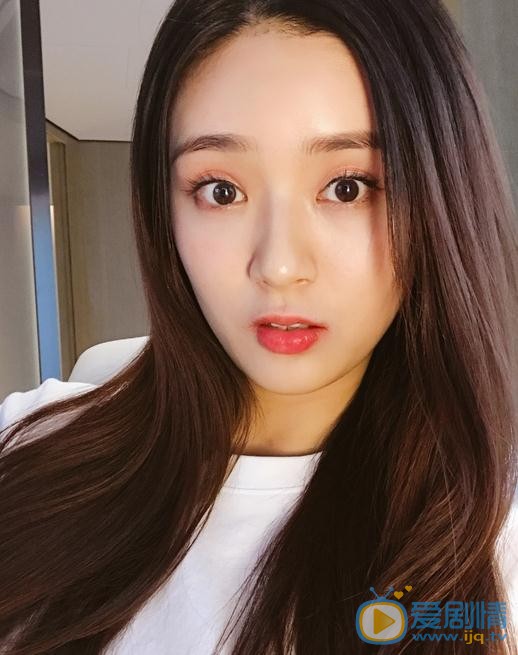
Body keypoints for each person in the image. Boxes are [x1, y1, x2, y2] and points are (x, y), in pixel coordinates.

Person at [1, 0, 517, 653]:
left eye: (349, 186)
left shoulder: (495, 541)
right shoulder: (24, 452)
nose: (278, 266)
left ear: (443, 195)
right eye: (221, 190)